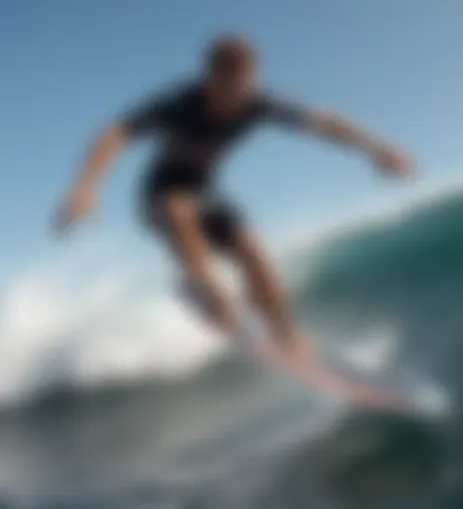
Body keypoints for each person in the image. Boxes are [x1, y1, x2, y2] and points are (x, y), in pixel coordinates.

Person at [54, 34, 413, 361]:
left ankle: (288, 338)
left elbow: (325, 122)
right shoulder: (181, 103)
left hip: (205, 192)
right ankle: (207, 290)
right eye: (231, 87)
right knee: (179, 209)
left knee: (253, 252)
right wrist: (86, 186)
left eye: (246, 84)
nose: (238, 96)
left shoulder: (256, 104)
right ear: (211, 79)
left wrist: (377, 149)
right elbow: (115, 132)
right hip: (158, 196)